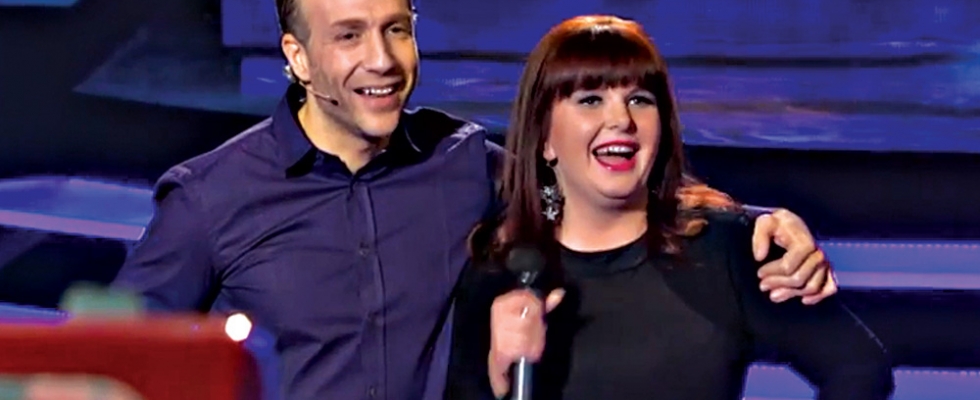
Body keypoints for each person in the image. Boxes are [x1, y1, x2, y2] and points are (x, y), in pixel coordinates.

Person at [112, 1, 839, 399]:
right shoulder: (211, 198)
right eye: (349, 36)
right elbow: (113, 360)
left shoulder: (461, 164)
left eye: (397, 29)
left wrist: (756, 225)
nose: (382, 60)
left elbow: (592, 189)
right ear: (296, 57)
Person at [445, 15, 893, 400]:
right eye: (590, 99)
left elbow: (859, 368)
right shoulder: (499, 273)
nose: (621, 120)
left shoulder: (730, 248)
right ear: (545, 138)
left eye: (639, 99)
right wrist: (497, 377)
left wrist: (763, 222)